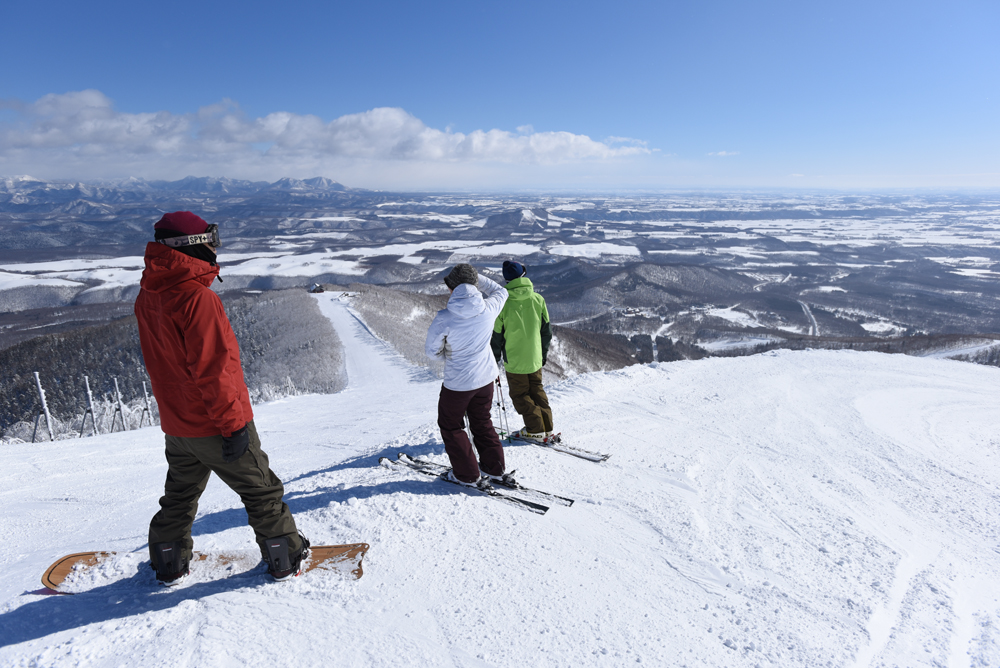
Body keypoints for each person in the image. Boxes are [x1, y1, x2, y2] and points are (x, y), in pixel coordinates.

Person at [134, 211, 308, 585]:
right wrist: (233, 426)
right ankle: (285, 557)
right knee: (261, 490)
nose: (215, 247)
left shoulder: (149, 294)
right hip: (215, 422)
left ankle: (168, 562)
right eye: (211, 239)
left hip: (178, 425)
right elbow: (215, 371)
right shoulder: (197, 299)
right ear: (193, 245)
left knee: (179, 497)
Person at [425, 263, 510, 486]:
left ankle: (467, 474)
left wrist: (449, 356)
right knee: (482, 421)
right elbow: (502, 291)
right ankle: (495, 469)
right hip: (486, 379)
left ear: (452, 288)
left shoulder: (444, 317)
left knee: (451, 425)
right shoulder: (488, 309)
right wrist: (475, 279)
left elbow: (432, 351)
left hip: (458, 383)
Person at [491, 260, 554, 442]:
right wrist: (542, 354)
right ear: (523, 275)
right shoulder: (538, 299)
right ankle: (546, 427)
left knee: (520, 394)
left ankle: (535, 429)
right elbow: (546, 331)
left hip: (515, 360)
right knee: (537, 390)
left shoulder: (503, 303)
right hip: (535, 357)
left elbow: (497, 336)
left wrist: (493, 361)